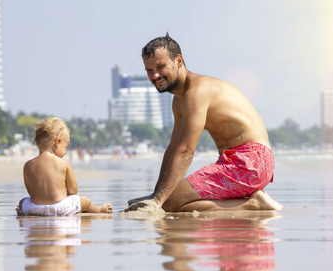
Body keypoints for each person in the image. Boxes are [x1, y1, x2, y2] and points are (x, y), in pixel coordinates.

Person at [126, 33, 285, 212]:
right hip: (243, 162)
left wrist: (159, 203)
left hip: (250, 162)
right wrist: (156, 196)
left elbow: (186, 151)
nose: (155, 75)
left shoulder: (196, 93)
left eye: (160, 67)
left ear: (179, 61)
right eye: (149, 70)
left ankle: (253, 204)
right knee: (167, 201)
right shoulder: (179, 100)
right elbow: (173, 148)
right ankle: (248, 202)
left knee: (170, 204)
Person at [16, 117, 112, 216]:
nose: (65, 152)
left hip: (35, 209)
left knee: (22, 202)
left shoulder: (28, 165)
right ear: (57, 143)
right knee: (85, 201)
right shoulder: (64, 163)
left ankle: (22, 212)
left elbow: (31, 193)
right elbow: (73, 191)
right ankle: (100, 209)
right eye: (65, 147)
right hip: (60, 208)